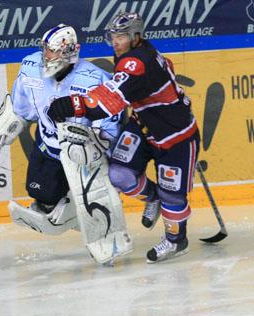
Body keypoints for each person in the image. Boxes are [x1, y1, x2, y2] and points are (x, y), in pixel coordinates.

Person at [48, 12, 200, 263]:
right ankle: (154, 198)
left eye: (121, 36)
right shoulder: (136, 54)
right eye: (113, 36)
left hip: (176, 137)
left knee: (173, 195)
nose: (115, 41)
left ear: (136, 37)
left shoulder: (137, 63)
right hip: (144, 126)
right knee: (119, 174)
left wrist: (73, 104)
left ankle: (176, 240)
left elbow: (107, 102)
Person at [0, 24, 129, 263]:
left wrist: (97, 140)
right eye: (45, 50)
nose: (47, 56)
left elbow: (113, 120)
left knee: (95, 200)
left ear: (68, 52)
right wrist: (1, 130)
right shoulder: (30, 69)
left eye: (53, 51)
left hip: (84, 155)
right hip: (48, 148)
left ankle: (104, 235)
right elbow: (19, 109)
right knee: (41, 199)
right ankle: (73, 211)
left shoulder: (95, 78)